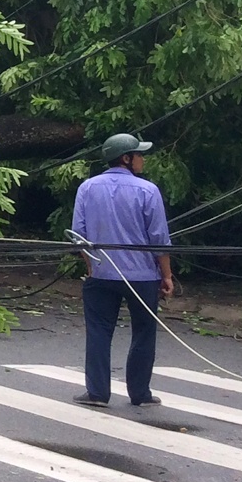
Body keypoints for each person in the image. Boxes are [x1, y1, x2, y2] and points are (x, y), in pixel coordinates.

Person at [71, 133, 175, 407]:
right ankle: (140, 394)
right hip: (143, 277)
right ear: (126, 158)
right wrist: (167, 275)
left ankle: (97, 393)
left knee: (99, 331)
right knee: (144, 331)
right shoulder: (148, 190)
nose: (142, 159)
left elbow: (78, 235)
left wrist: (91, 264)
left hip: (102, 274)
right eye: (139, 155)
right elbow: (159, 238)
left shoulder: (87, 188)